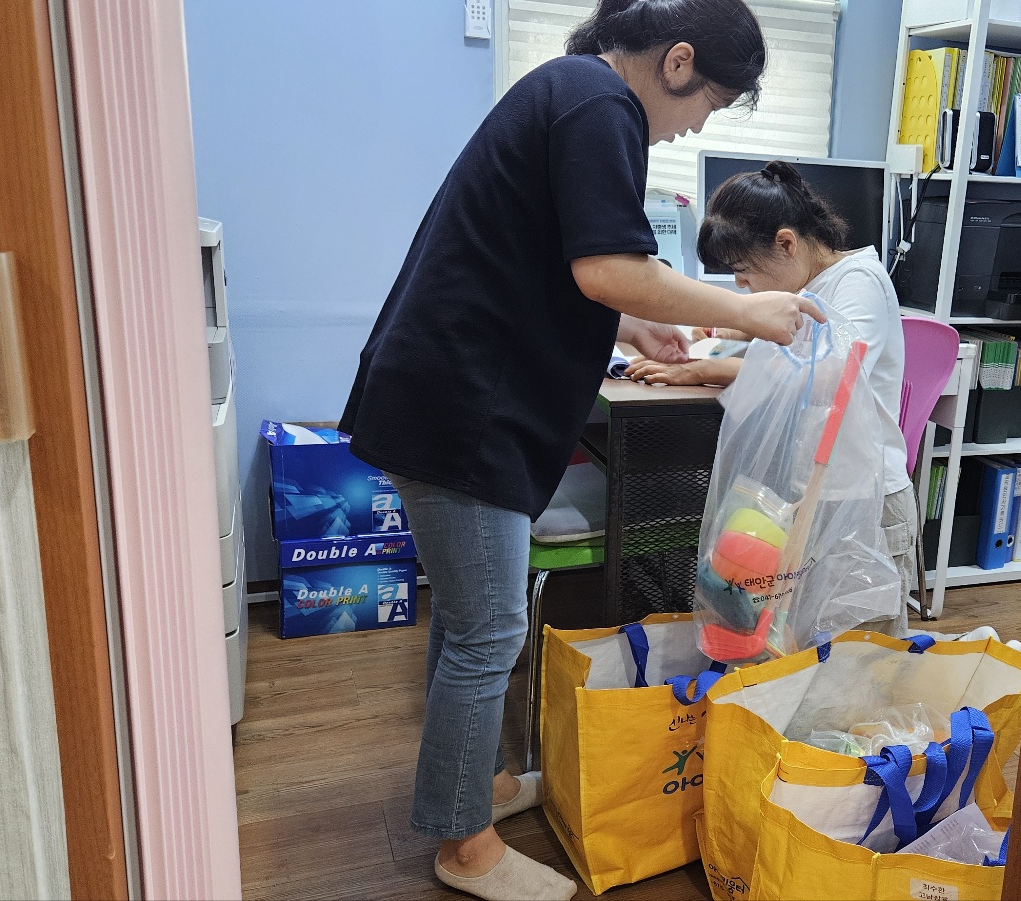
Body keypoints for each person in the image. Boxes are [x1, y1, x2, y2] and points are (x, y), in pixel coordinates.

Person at [338, 2, 823, 898]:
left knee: (469, 622)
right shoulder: (601, 104)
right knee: (490, 630)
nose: (696, 126)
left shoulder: (568, 92)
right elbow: (606, 267)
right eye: (708, 104)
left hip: (450, 396)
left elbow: (559, 266)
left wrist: (632, 324)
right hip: (463, 408)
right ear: (677, 61)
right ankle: (465, 847)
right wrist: (746, 311)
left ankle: (474, 790)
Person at [626, 161, 917, 633]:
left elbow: (827, 377)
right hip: (813, 492)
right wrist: (725, 329)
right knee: (807, 637)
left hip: (865, 500)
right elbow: (788, 341)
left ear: (786, 243)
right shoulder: (809, 282)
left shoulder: (859, 281)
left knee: (865, 647)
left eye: (743, 272)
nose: (742, 286)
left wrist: (704, 368)